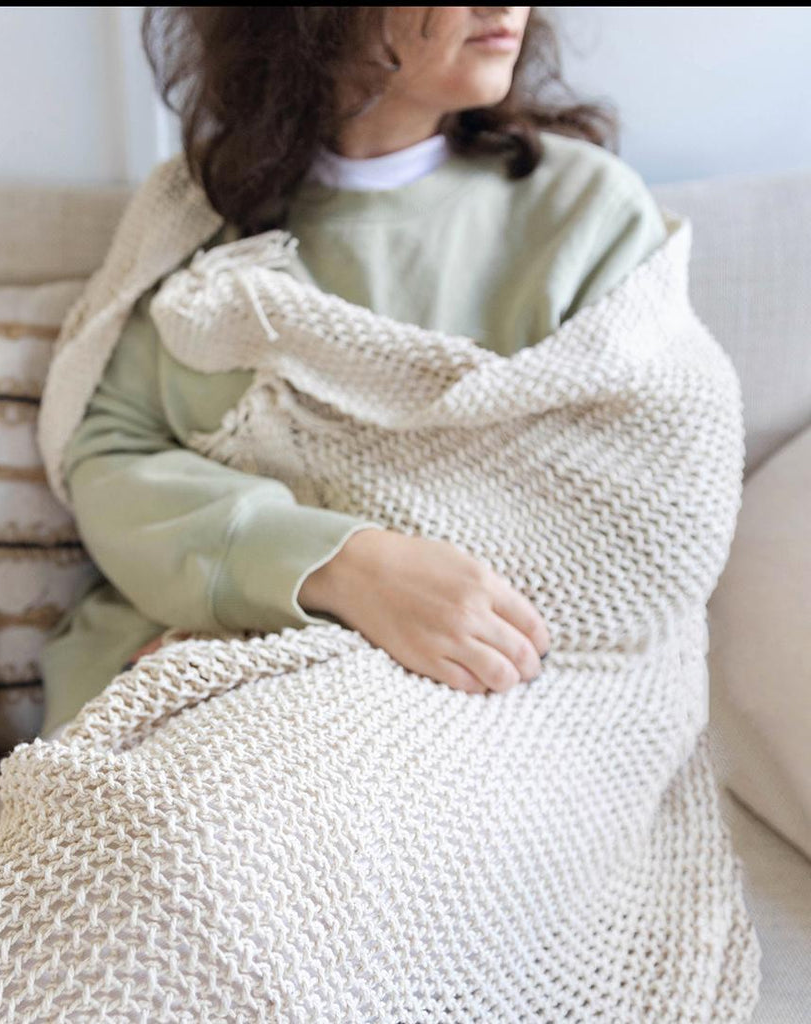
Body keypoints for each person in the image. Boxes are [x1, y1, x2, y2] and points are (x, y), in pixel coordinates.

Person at [39, 6, 668, 741]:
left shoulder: (588, 215)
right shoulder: (197, 211)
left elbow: (628, 512)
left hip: (471, 699)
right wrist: (343, 567)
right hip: (180, 644)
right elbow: (110, 452)